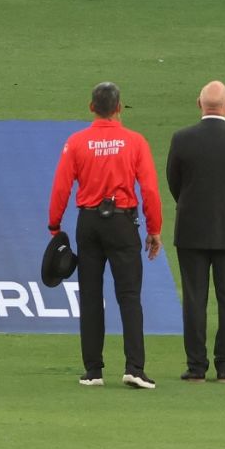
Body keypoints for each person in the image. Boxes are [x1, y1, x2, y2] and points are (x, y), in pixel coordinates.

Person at [47, 82, 163, 390]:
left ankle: (93, 371)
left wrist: (54, 225)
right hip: (123, 223)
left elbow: (61, 186)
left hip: (89, 223)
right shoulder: (135, 142)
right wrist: (154, 229)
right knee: (129, 296)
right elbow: (149, 189)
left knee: (90, 297)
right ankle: (135, 368)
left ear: (91, 107)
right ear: (119, 108)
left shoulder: (77, 142)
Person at [165, 81, 225, 383]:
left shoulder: (182, 139)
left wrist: (191, 205)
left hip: (192, 229)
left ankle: (196, 366)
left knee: (194, 298)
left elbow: (174, 183)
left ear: (199, 103)